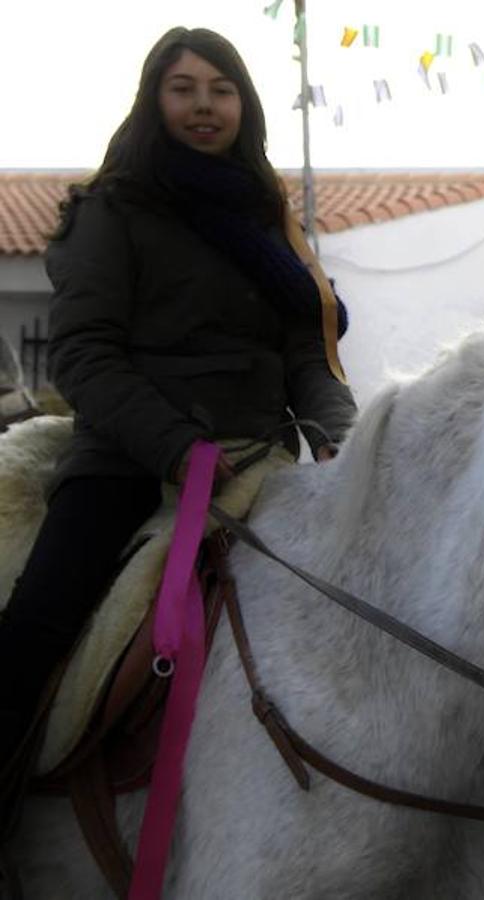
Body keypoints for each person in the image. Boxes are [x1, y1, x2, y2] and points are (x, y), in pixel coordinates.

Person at [0, 28, 356, 786]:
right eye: (184, 88)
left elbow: (305, 351)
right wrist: (176, 445)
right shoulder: (112, 209)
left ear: (244, 105)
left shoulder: (269, 220)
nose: (203, 106)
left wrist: (335, 434)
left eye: (220, 90)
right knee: (36, 626)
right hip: (129, 460)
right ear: (153, 100)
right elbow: (85, 354)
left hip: (260, 461)